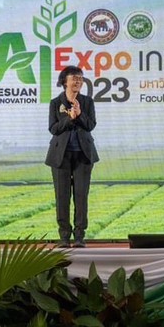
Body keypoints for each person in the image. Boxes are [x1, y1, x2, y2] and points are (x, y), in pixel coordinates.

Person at [45, 66, 98, 246]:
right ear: (64, 81)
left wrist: (80, 114)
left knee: (81, 196)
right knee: (62, 196)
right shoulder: (55, 102)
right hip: (60, 156)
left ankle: (79, 236)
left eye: (80, 78)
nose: (78, 81)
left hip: (84, 155)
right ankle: (64, 237)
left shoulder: (87, 101)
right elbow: (53, 128)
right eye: (74, 78)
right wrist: (69, 118)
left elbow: (91, 125)